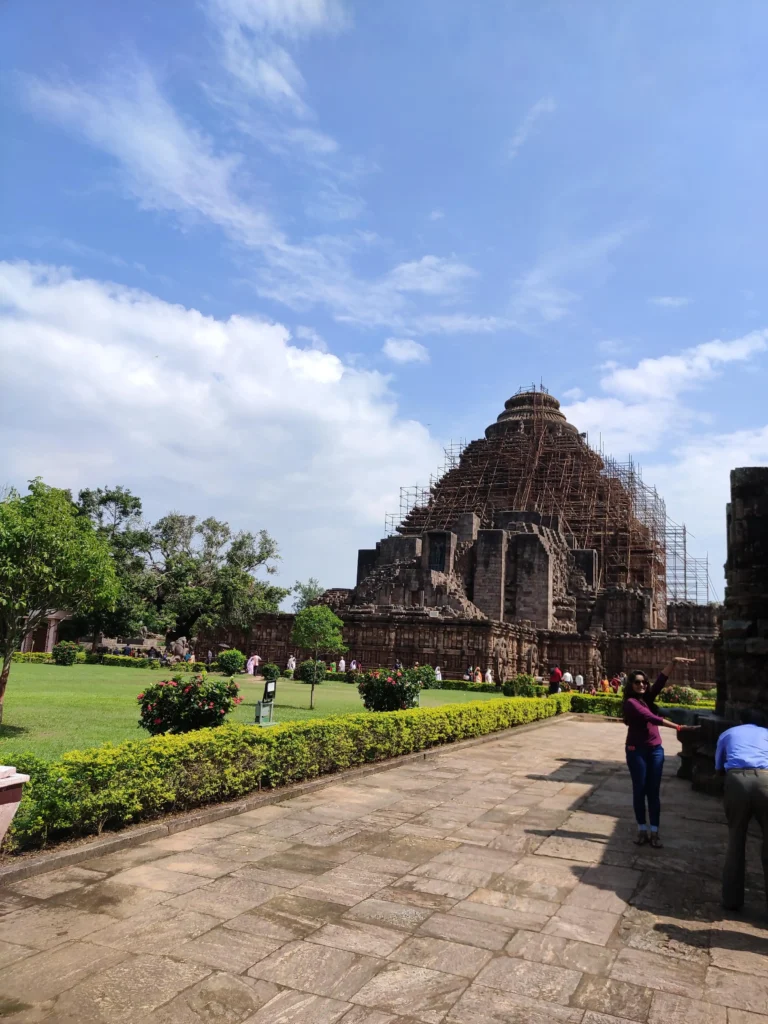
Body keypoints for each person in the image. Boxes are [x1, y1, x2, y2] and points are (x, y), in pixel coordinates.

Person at [622, 657, 695, 848]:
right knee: (640, 790)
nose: (641, 685)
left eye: (644, 682)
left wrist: (673, 662)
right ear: (631, 685)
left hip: (655, 750)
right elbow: (651, 718)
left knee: (653, 792)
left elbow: (660, 682)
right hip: (636, 750)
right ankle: (641, 829)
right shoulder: (630, 703)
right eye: (637, 682)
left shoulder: (646, 699)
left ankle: (654, 831)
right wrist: (678, 727)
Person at [716, 709, 768, 911]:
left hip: (737, 779)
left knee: (736, 839)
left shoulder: (729, 733)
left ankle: (732, 899)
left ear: (740, 721)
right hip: (766, 778)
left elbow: (719, 765)